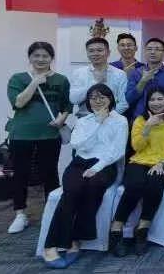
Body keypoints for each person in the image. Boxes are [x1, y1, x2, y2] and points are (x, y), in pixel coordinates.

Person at [42, 84, 128, 268]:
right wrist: (98, 123)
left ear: (110, 99)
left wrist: (97, 168)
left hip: (106, 164)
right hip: (79, 163)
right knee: (71, 191)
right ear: (88, 101)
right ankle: (50, 246)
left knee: (93, 187)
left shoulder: (120, 121)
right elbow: (77, 144)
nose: (97, 101)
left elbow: (117, 151)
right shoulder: (83, 121)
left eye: (102, 97)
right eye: (93, 98)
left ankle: (75, 239)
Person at [6, 42, 72, 234]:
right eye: (36, 55)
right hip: (21, 135)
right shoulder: (18, 78)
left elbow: (66, 105)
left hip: (49, 134)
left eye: (45, 56)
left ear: (51, 58)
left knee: (49, 173)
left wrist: (62, 119)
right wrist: (35, 82)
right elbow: (18, 103)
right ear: (30, 58)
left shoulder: (61, 80)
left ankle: (51, 212)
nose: (41, 59)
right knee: (20, 174)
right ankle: (20, 214)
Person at [110, 88, 164, 257]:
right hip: (139, 161)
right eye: (152, 99)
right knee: (134, 185)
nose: (156, 103)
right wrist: (148, 126)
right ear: (147, 102)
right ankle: (116, 227)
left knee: (154, 186)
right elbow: (137, 147)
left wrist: (162, 163)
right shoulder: (140, 120)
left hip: (163, 164)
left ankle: (142, 229)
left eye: (160, 99)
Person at [69, 38, 128, 115]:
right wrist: (94, 83)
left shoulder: (120, 74)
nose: (95, 54)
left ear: (108, 53)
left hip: (112, 118)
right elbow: (74, 100)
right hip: (85, 118)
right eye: (91, 51)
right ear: (87, 53)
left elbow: (124, 103)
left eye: (99, 50)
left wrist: (108, 116)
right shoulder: (79, 73)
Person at [125, 38, 164, 120]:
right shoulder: (135, 73)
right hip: (140, 120)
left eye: (157, 49)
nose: (153, 52)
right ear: (145, 52)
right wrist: (143, 81)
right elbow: (129, 99)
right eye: (149, 49)